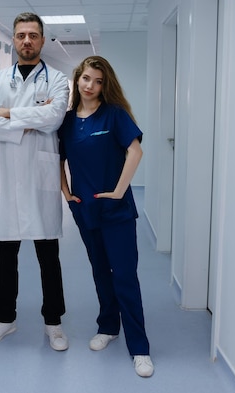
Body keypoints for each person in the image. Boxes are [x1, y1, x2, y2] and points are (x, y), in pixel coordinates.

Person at [0, 12, 70, 351]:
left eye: (33, 35)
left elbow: (55, 116)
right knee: (7, 258)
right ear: (13, 40)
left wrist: (8, 113)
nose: (26, 41)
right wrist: (30, 119)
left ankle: (53, 323)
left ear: (43, 40)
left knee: (49, 257)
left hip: (40, 177)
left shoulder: (58, 80)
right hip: (6, 178)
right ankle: (5, 319)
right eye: (20, 35)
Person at [58, 56, 154, 377]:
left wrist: (118, 190)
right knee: (100, 271)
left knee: (124, 275)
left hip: (116, 211)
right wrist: (65, 191)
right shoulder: (68, 120)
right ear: (78, 79)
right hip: (85, 209)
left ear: (105, 85)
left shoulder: (114, 115)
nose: (91, 86)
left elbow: (135, 150)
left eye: (98, 81)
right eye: (86, 78)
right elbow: (57, 156)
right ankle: (108, 326)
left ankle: (139, 348)